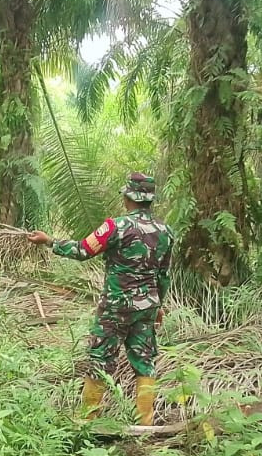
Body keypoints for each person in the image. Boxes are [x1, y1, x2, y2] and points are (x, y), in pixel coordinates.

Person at [28, 172, 174, 426]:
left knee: (101, 358)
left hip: (116, 308)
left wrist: (49, 241)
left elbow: (82, 250)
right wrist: (158, 304)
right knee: (144, 360)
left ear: (129, 197)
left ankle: (88, 420)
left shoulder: (115, 227)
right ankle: (145, 423)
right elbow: (163, 275)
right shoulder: (165, 231)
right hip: (147, 307)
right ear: (150, 200)